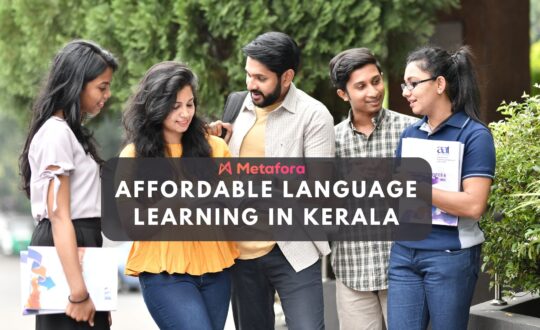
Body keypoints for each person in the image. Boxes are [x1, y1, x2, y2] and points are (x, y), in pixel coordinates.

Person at [212, 31, 335, 330]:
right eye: (248, 75)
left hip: (293, 249)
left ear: (287, 76)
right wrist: (216, 148)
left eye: (261, 78)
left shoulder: (314, 116)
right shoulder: (236, 107)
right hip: (241, 254)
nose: (251, 84)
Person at [120, 61, 238, 330]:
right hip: (165, 274)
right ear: (155, 106)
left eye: (189, 104)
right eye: (175, 106)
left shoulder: (215, 148)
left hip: (216, 271)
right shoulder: (134, 157)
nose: (185, 113)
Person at [388, 46, 496, 330]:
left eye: (413, 83)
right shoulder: (410, 135)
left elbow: (474, 205)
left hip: (450, 256)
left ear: (439, 84)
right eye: (404, 84)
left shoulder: (475, 135)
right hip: (404, 252)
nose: (405, 91)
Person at [19, 40, 118, 329]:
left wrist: (98, 294)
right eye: (102, 87)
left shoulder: (70, 134)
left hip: (82, 244)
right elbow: (60, 215)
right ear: (77, 83)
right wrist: (78, 293)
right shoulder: (55, 134)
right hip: (67, 245)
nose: (107, 95)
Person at [328, 48, 417, 330]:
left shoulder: (412, 130)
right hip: (352, 272)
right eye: (361, 86)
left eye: (376, 81)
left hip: (403, 272)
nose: (373, 91)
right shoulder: (329, 141)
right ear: (343, 94)